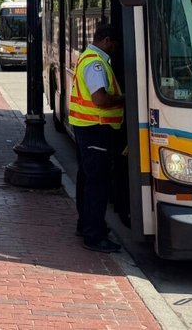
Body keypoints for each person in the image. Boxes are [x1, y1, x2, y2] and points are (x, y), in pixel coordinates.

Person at [70, 22, 125, 254]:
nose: (115, 48)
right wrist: (123, 99)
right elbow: (100, 99)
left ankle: (86, 226)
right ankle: (94, 236)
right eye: (114, 44)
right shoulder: (95, 63)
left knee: (87, 179)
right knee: (97, 184)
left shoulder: (89, 57)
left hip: (88, 128)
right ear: (106, 40)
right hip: (96, 129)